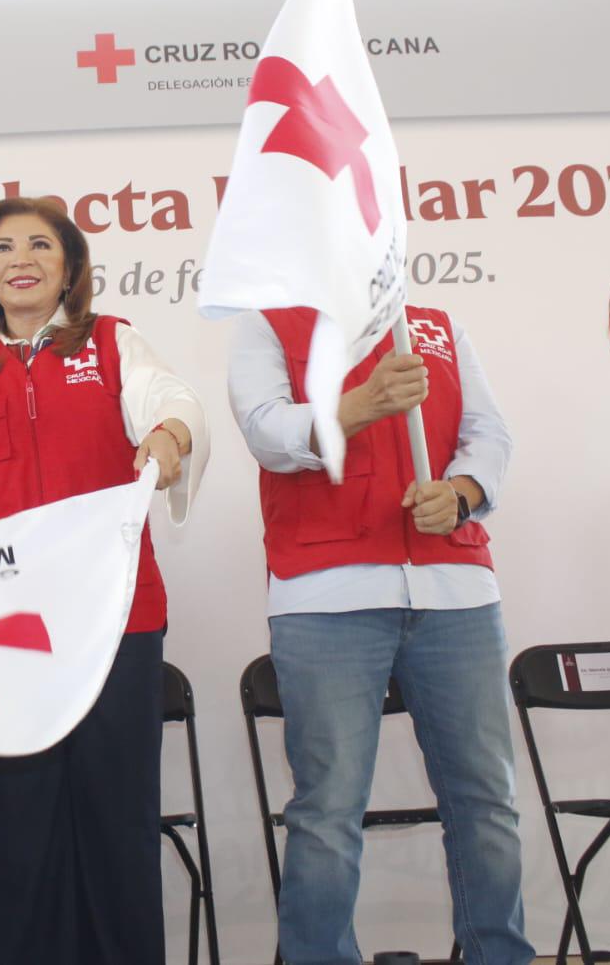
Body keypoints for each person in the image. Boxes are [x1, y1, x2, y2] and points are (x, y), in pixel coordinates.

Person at [0, 196, 208, 965]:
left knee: (117, 821)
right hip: (7, 631)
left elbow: (173, 401)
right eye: (1, 248)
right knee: (13, 828)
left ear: (69, 267)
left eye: (39, 245)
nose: (20, 259)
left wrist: (168, 434)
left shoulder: (114, 342)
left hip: (115, 620)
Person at [228, 301, 532, 964]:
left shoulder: (433, 323)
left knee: (486, 799)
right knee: (328, 807)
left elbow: (488, 431)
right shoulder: (270, 323)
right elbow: (264, 430)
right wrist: (357, 406)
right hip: (326, 592)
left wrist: (461, 492)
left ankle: (499, 954)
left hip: (455, 587)